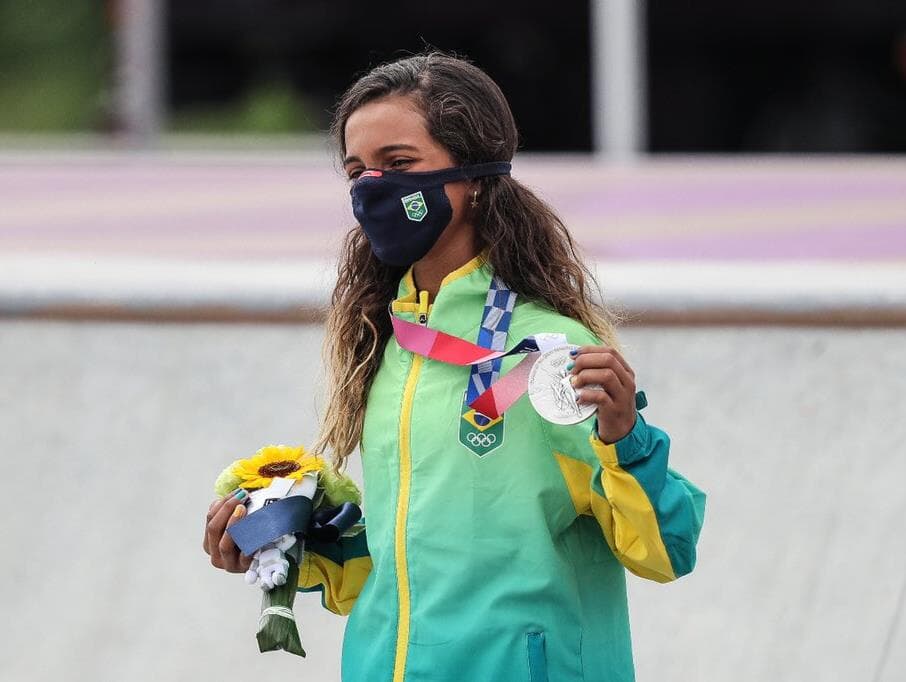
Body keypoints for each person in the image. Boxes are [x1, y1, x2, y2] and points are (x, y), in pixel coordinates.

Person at [204, 51, 706, 682]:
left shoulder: (548, 351)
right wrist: (286, 539)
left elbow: (665, 550)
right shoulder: (387, 347)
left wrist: (624, 437)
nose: (371, 188)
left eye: (399, 165)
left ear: (474, 175)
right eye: (356, 171)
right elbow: (405, 565)